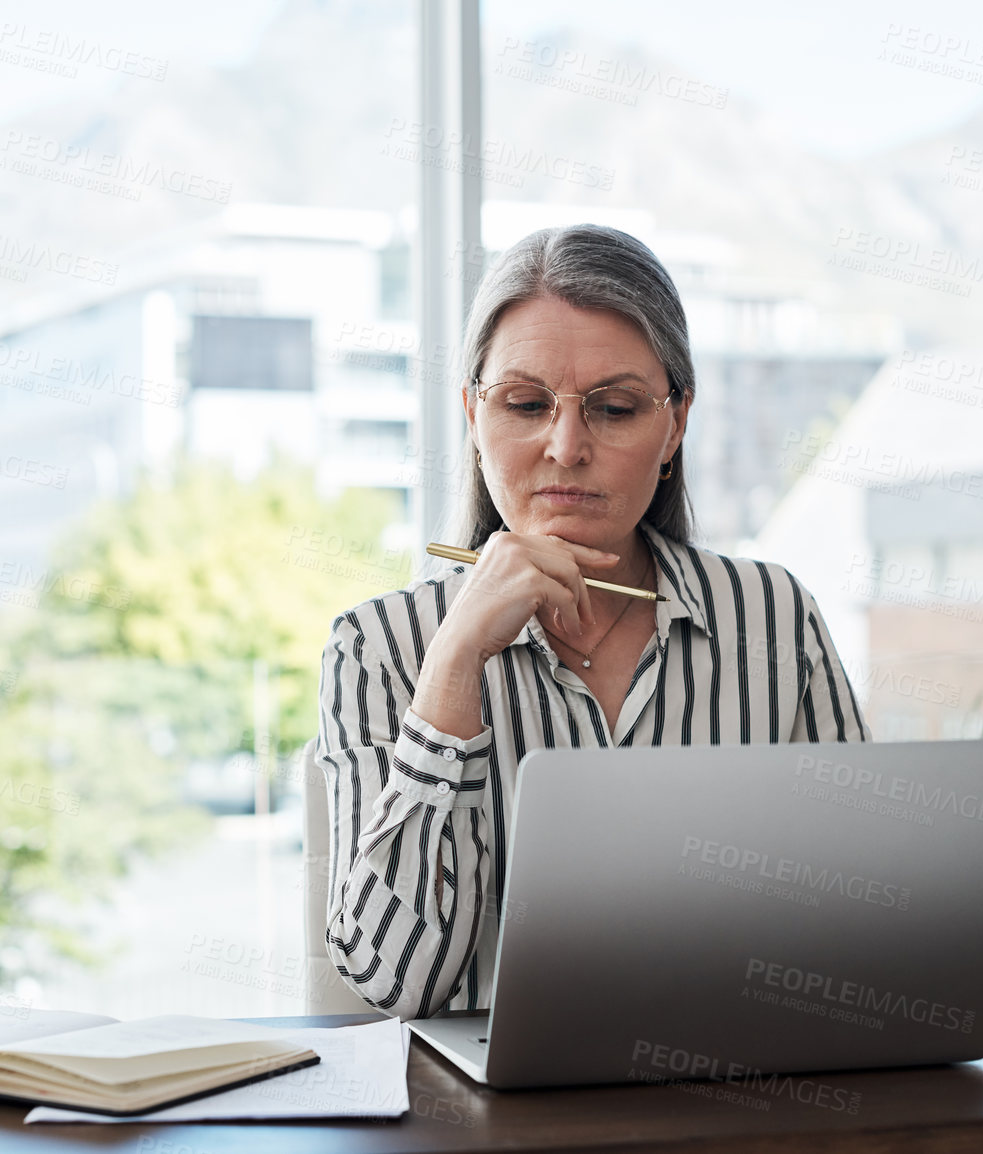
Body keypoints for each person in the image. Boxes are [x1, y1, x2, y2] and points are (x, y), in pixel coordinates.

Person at [314, 224, 868, 1020]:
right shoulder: (376, 648)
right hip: (488, 1127)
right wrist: (454, 661)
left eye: (613, 408)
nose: (566, 448)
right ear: (473, 417)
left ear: (674, 425)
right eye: (524, 404)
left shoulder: (773, 617)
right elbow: (399, 980)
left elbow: (862, 923)